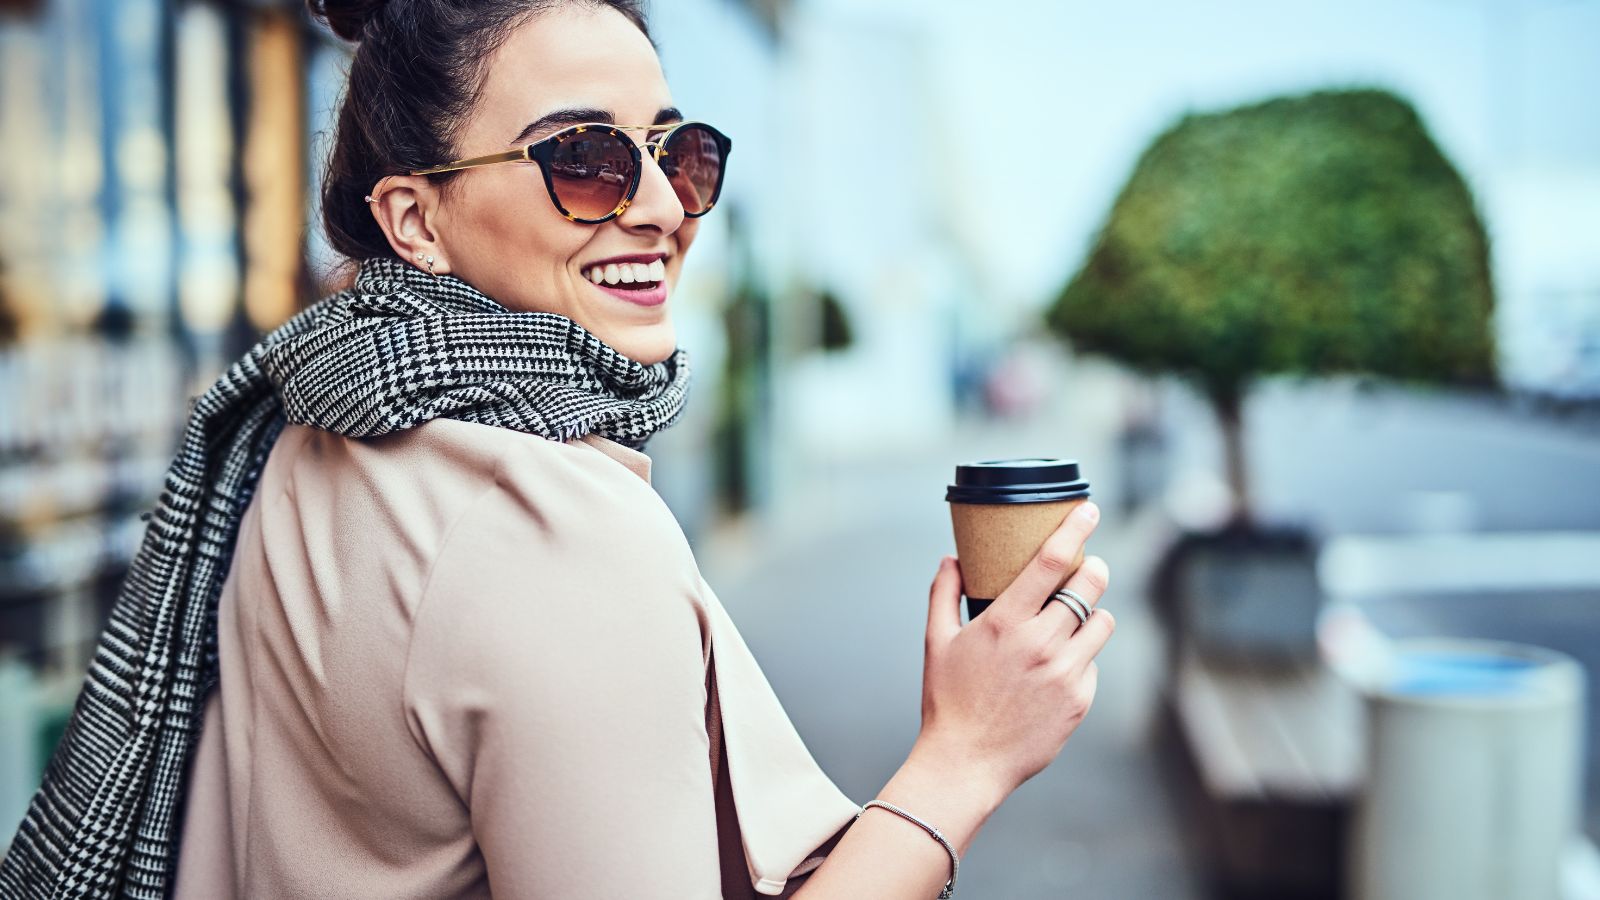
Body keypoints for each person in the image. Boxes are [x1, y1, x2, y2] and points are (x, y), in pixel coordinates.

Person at [0, 1, 1115, 897]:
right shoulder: (553, 530)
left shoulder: (300, 436)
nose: (659, 208)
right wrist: (964, 758)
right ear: (416, 221)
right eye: (582, 158)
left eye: (677, 156)